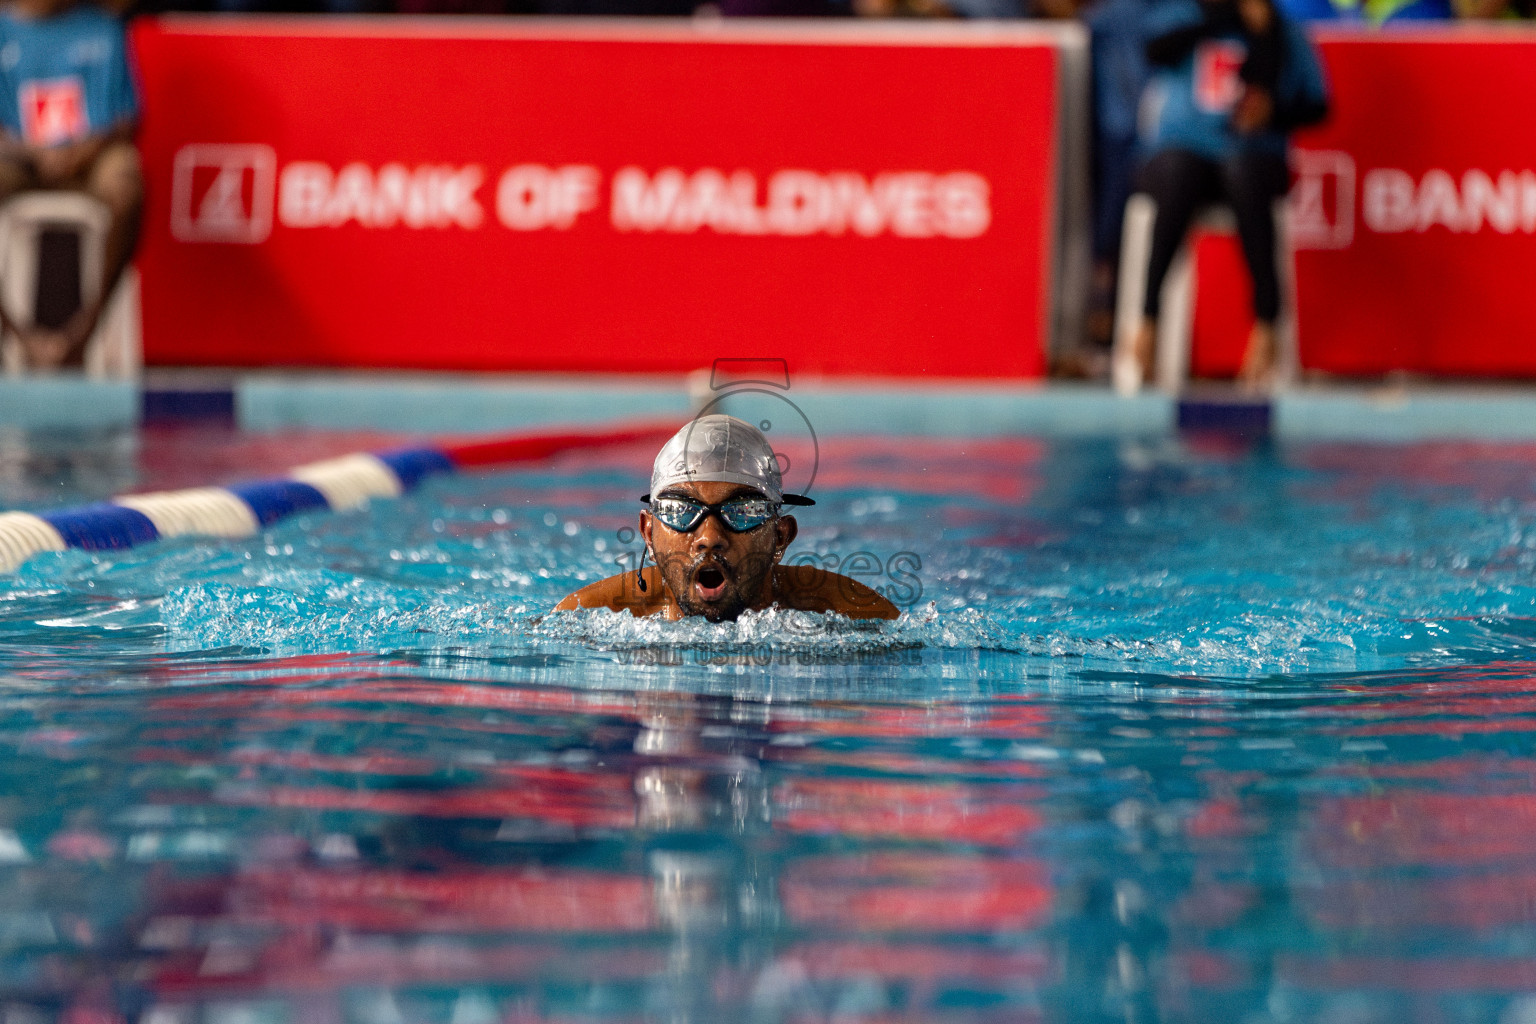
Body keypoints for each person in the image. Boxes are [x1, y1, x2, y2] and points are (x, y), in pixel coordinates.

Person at [1122, 0, 1327, 391]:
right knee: (1179, 172)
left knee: (1244, 173)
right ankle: (1147, 321)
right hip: (1180, 157)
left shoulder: (1282, 32)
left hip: (1252, 158)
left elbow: (1316, 104)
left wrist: (1272, 109)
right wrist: (1221, 20)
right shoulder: (1181, 15)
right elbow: (1155, 51)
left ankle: (1267, 325)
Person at [556, 415, 900, 622]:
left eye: (742, 511)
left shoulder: (854, 615)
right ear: (648, 532)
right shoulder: (588, 616)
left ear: (780, 537)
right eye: (681, 511)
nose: (709, 535)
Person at [0, 0, 141, 370]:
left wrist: (81, 151)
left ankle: (84, 330)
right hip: (20, 160)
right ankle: (14, 333)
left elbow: (125, 120)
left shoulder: (102, 28)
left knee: (127, 180)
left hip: (90, 158)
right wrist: (29, 150)